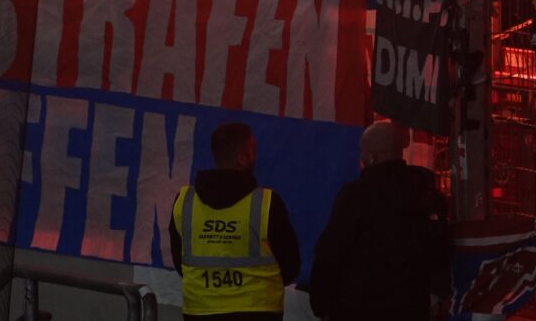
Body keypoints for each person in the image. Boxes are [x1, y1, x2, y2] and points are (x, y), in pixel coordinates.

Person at [309, 121, 450, 321]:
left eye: (363, 152)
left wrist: (321, 303)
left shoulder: (355, 196)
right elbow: (440, 252)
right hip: (411, 309)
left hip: (358, 309)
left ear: (372, 157)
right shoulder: (426, 196)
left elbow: (331, 253)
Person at [169, 122, 301, 321]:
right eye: (252, 150)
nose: (255, 156)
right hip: (258, 310)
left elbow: (180, 260)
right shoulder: (267, 203)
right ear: (242, 158)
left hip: (201, 310)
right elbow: (290, 264)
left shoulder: (185, 201)